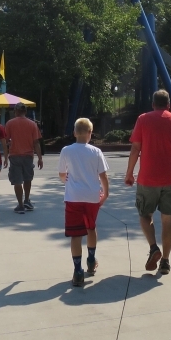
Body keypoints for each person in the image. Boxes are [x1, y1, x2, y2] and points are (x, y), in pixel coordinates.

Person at [125, 89, 171, 276]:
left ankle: (153, 247)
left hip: (148, 178)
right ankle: (165, 261)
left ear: (153, 104)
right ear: (169, 104)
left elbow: (135, 149)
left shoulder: (143, 119)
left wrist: (130, 173)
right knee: (167, 219)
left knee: (145, 214)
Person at [58, 117, 109, 287]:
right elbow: (103, 176)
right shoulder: (96, 152)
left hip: (73, 197)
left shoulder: (66, 150)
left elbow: (62, 174)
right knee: (91, 228)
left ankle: (78, 270)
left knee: (75, 235)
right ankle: (91, 258)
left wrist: (68, 182)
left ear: (74, 133)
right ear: (90, 133)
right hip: (92, 197)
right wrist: (106, 193)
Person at [4, 103, 44, 214]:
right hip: (28, 156)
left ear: (16, 111)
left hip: (15, 155)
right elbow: (36, 143)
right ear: (25, 112)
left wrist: (6, 156)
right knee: (27, 178)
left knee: (17, 180)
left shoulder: (10, 123)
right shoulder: (32, 124)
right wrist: (40, 158)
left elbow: (6, 141)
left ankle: (20, 205)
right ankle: (26, 200)